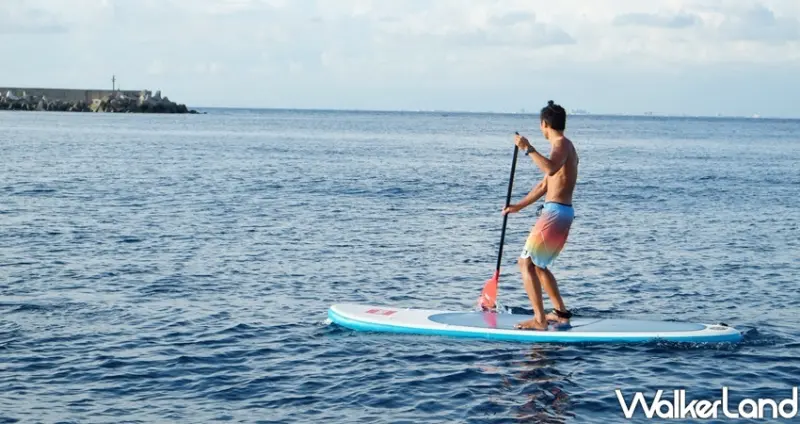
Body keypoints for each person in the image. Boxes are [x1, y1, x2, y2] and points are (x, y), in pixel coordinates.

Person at [502, 100, 579, 331]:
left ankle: (539, 320)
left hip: (556, 213)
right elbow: (544, 185)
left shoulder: (562, 145)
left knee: (525, 262)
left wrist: (528, 148)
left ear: (544, 124)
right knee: (539, 266)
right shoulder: (564, 148)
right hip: (561, 212)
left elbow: (549, 169)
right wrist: (518, 206)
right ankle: (561, 313)